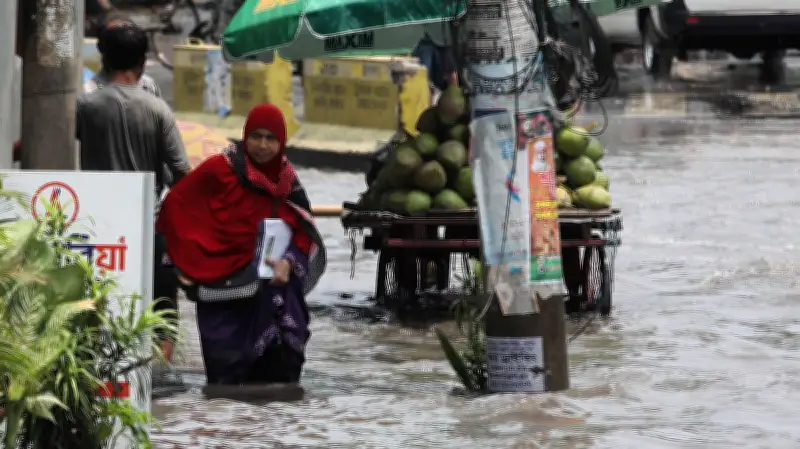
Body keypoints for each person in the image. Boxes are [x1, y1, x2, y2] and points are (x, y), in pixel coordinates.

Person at [155, 104, 327, 385]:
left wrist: (288, 262)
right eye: (255, 136)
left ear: (282, 141)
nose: (262, 145)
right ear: (244, 137)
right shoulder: (219, 168)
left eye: (270, 138)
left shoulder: (286, 182)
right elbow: (175, 207)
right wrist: (182, 262)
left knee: (277, 386)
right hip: (220, 287)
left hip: (268, 290)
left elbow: (303, 233)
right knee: (224, 385)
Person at [76, 23, 191, 361]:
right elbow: (182, 175)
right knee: (163, 305)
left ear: (103, 58)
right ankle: (159, 379)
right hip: (150, 225)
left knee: (98, 304)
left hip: (100, 230)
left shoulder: (86, 104)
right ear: (142, 61)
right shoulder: (158, 109)